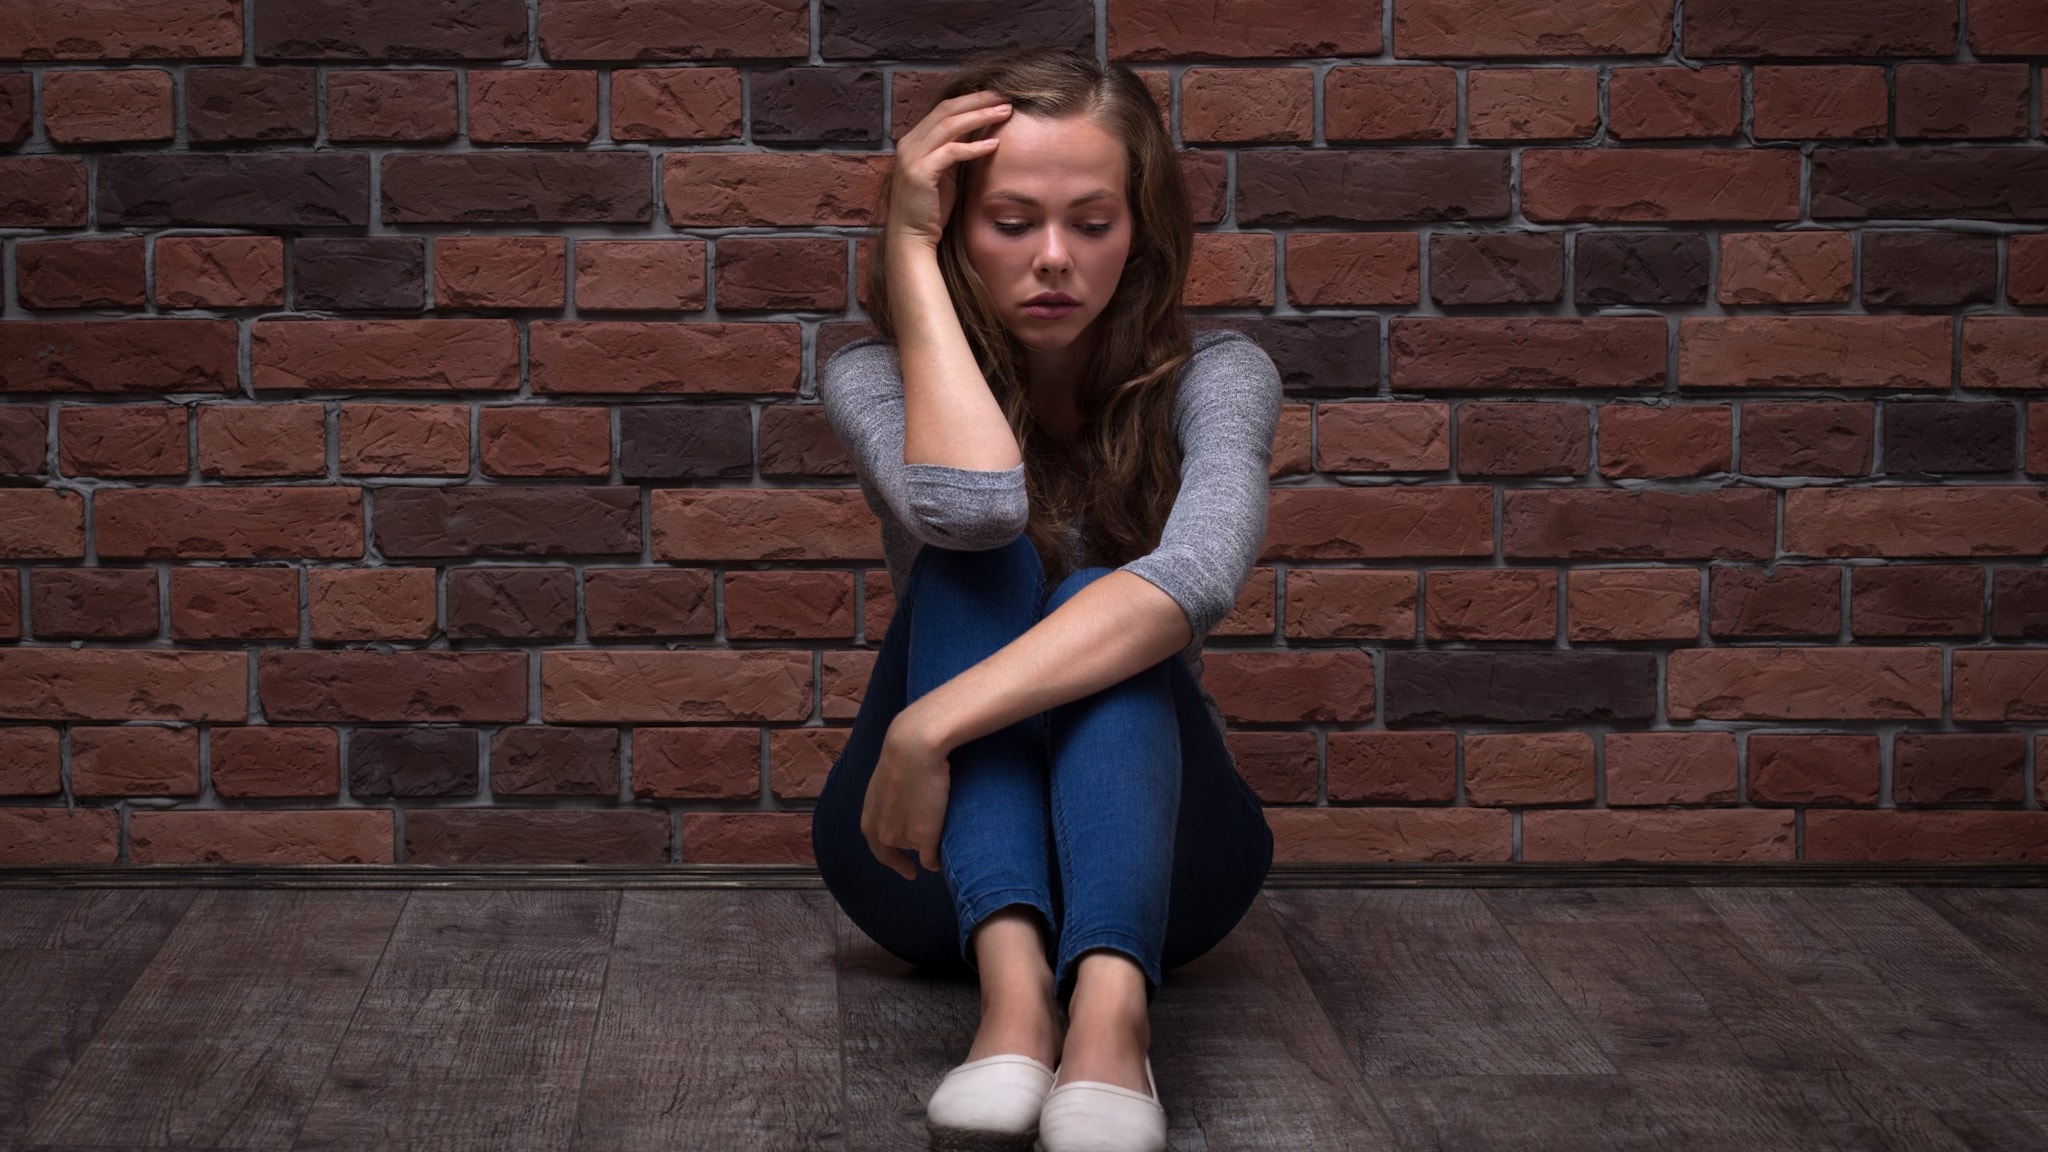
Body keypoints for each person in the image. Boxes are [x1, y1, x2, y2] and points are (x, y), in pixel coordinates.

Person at [809, 44, 1280, 1152]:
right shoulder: (872, 378)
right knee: (981, 557)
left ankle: (1110, 1017)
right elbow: (971, 509)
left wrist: (931, 722)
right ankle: (1014, 1004)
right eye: (1009, 222)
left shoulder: (1221, 377)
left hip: (1167, 873)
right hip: (918, 861)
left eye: (1092, 222)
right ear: (956, 227)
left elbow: (1196, 580)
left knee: (1113, 594)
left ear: (1142, 234)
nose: (1054, 259)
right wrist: (905, 246)